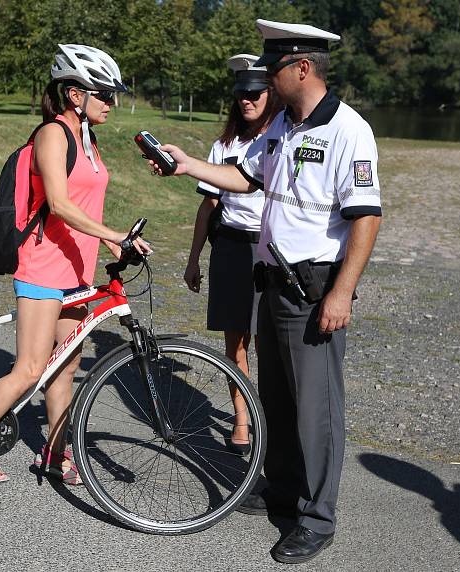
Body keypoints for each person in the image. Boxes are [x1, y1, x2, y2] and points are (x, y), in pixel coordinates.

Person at [148, 20, 382, 564]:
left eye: (274, 68)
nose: (267, 79)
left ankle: (317, 518)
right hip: (272, 282)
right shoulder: (283, 126)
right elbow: (246, 178)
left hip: (316, 286)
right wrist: (187, 166)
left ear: (303, 67)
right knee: (276, 400)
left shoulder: (349, 130)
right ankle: (278, 488)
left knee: (315, 409)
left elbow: (367, 218)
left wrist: (342, 293)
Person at [0, 44, 151, 486]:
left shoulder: (88, 139)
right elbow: (58, 203)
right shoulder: (53, 134)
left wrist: (111, 244)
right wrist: (112, 233)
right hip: (42, 267)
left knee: (65, 368)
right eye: (104, 94)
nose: (112, 103)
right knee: (30, 368)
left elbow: (84, 202)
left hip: (76, 271)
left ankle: (55, 455)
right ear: (76, 95)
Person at [183, 54, 279, 455]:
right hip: (232, 248)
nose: (247, 100)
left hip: (271, 248)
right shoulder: (224, 145)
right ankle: (241, 421)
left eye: (255, 93)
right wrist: (193, 259)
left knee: (268, 344)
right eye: (241, 93)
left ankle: (270, 421)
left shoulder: (281, 137)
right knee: (234, 342)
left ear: (270, 94)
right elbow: (209, 206)